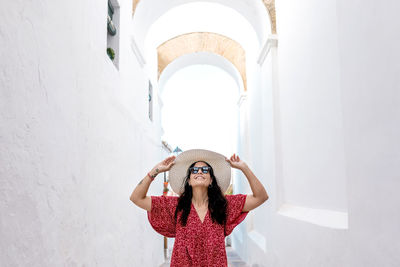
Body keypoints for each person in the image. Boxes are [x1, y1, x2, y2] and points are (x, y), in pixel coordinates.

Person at [130, 149, 269, 266]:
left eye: (205, 169)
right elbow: (137, 198)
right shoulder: (175, 206)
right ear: (189, 180)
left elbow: (260, 197)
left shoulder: (224, 205)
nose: (200, 171)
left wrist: (244, 167)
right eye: (194, 169)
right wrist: (156, 171)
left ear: (211, 180)